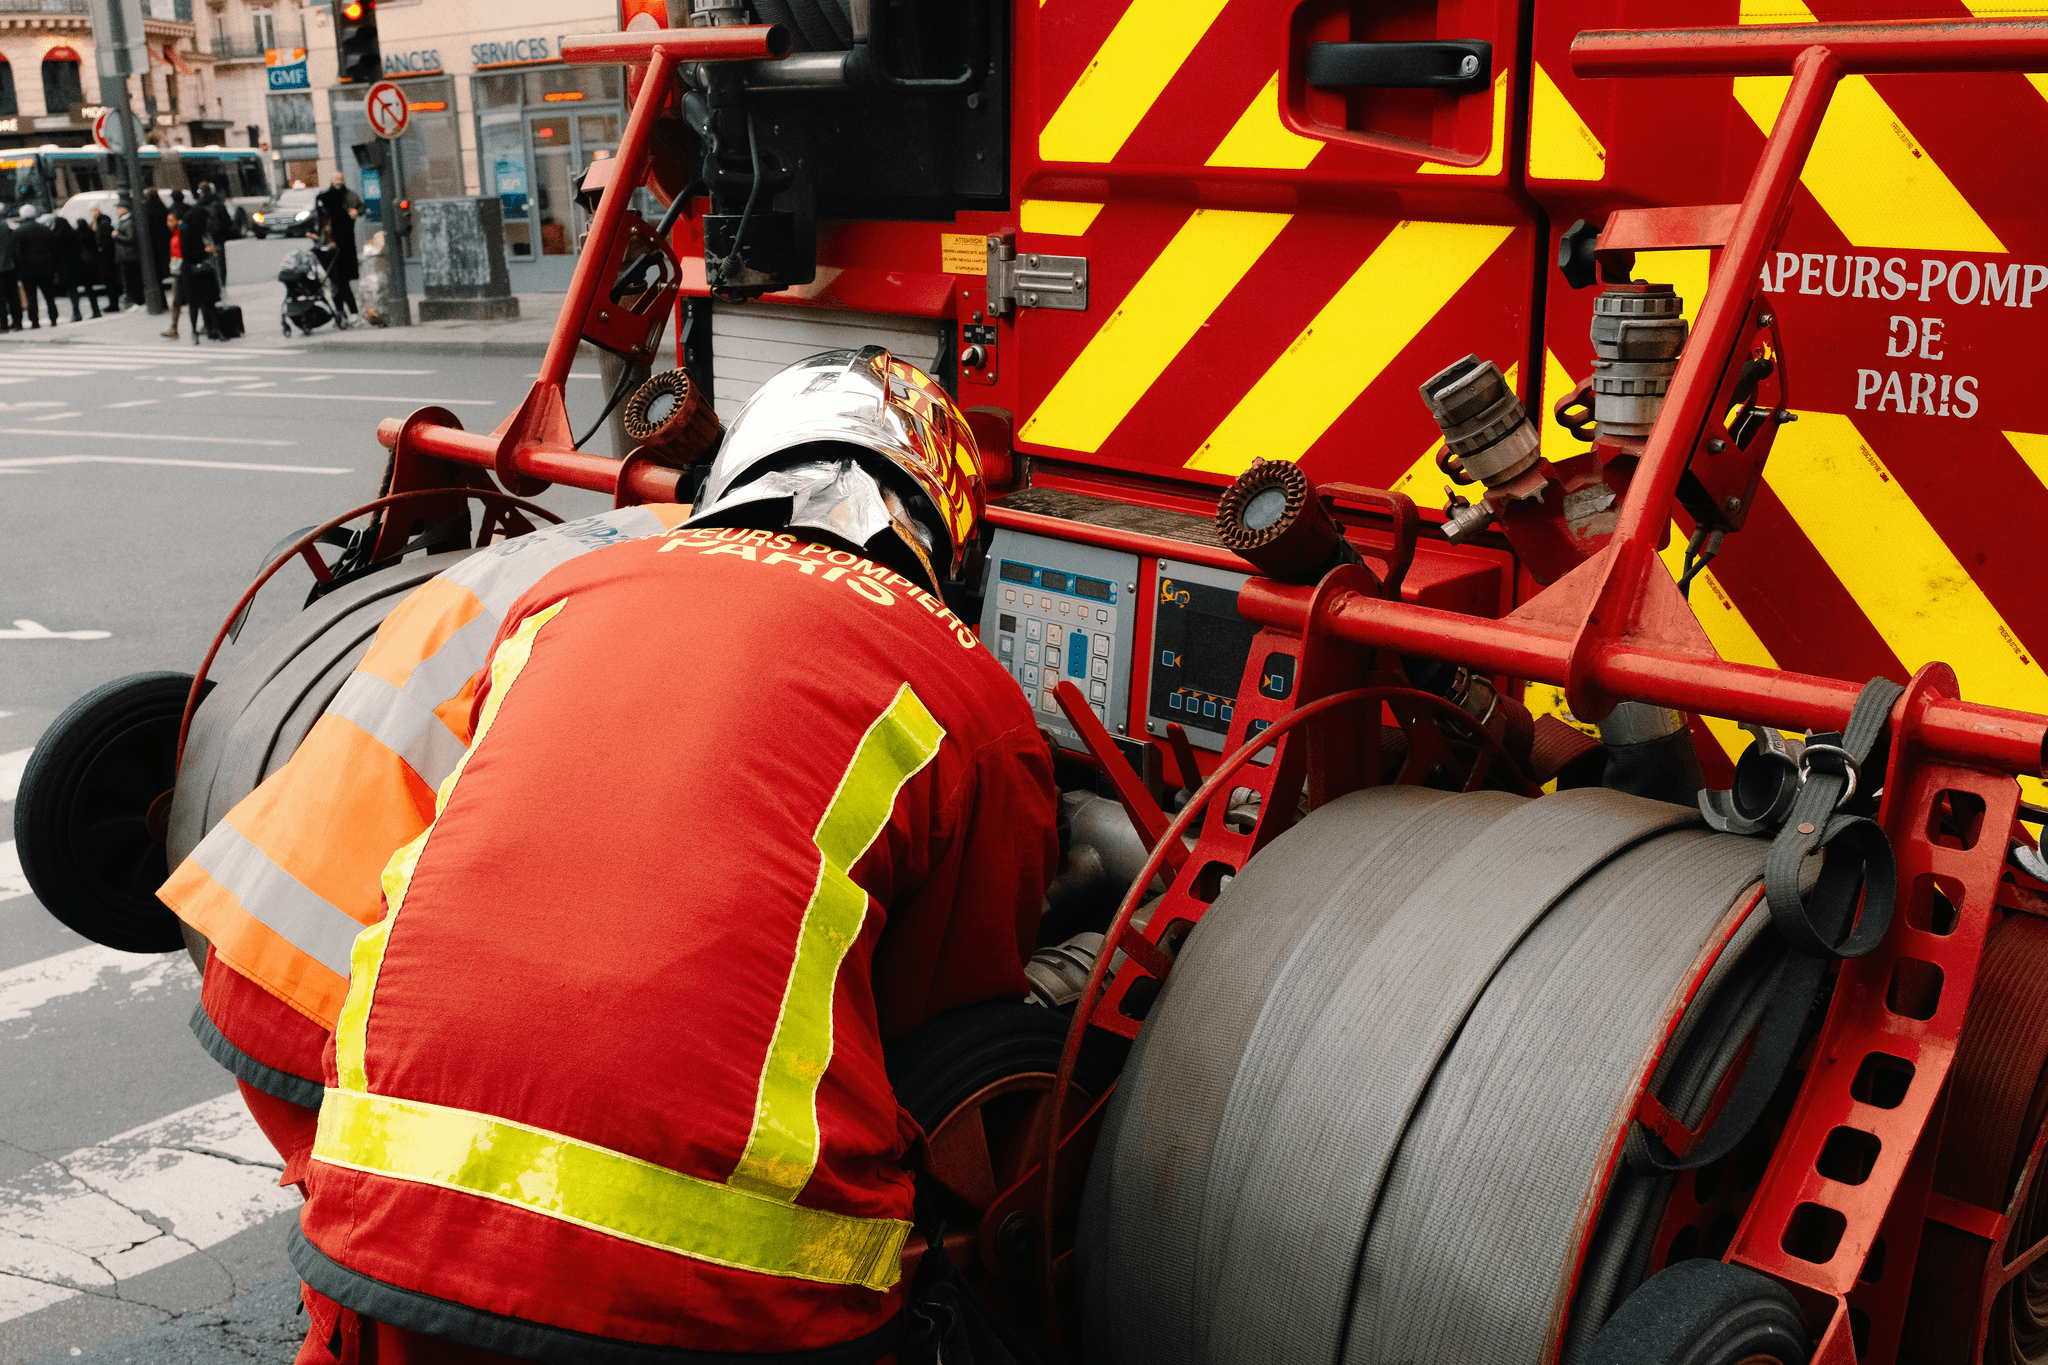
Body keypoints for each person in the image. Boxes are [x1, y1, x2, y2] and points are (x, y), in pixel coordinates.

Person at [160, 349, 1056, 1363]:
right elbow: (946, 1032)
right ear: (942, 534)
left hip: (390, 1205)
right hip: (726, 1279)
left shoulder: (572, 589)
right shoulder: (966, 689)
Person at [313, 172, 362, 320]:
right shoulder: (326, 201)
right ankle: (342, 313)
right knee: (336, 283)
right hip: (328, 249)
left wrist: (357, 212)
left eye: (341, 179)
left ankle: (352, 313)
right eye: (335, 179)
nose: (338, 182)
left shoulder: (348, 198)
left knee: (341, 282)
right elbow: (319, 222)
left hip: (342, 248)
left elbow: (360, 209)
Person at [176, 206, 222, 343]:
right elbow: (186, 254)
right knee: (195, 303)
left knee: (208, 301)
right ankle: (195, 330)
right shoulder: (187, 231)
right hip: (193, 271)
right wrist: (205, 251)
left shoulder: (200, 231)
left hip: (203, 270)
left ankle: (212, 328)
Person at [14, 206, 58, 329]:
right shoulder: (44, 229)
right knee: (49, 295)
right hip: (46, 268)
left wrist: (19, 269)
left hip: (27, 270)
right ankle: (53, 318)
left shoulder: (19, 232)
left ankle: (35, 321)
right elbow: (53, 248)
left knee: (31, 297)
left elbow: (18, 253)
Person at [113, 200, 144, 311]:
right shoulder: (123, 222)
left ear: (125, 208)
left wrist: (117, 236)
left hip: (130, 256)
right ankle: (137, 301)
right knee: (130, 280)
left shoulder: (128, 222)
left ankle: (140, 301)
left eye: (119, 208)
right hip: (126, 256)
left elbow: (130, 238)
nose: (117, 211)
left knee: (134, 280)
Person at [93, 207, 120, 312]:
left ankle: (113, 304)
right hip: (110, 259)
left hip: (106, 260)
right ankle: (114, 303)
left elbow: (101, 243)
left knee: (110, 283)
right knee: (111, 282)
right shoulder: (109, 227)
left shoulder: (102, 229)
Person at [143, 187, 170, 289]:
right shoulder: (163, 207)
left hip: (153, 242)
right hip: (165, 239)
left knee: (156, 270)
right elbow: (181, 224)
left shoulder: (147, 209)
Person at [0, 206, 17, 333]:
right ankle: (18, 322)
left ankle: (3, 324)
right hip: (9, 265)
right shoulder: (6, 227)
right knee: (13, 296)